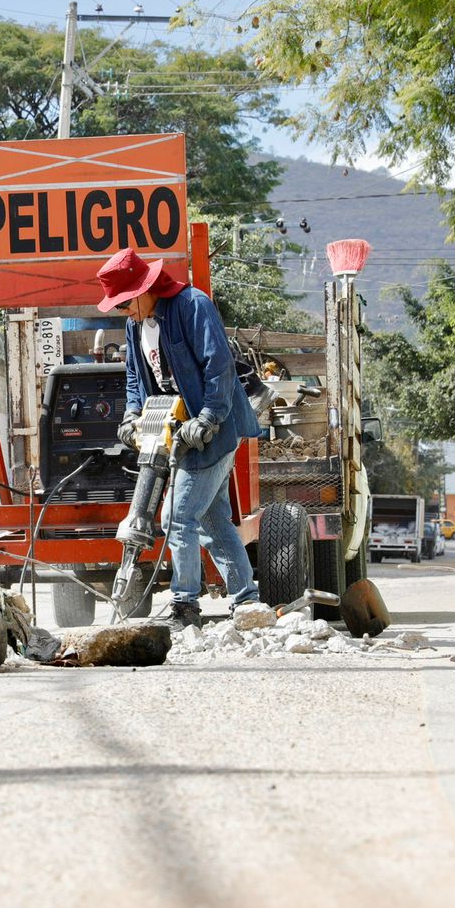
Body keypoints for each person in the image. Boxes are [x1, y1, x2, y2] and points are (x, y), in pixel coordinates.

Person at [97, 247, 263, 629]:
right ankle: (246, 600)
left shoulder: (193, 305)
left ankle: (185, 606)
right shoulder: (136, 324)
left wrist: (208, 417)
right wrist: (131, 415)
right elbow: (136, 378)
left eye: (125, 303)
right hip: (179, 431)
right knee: (213, 519)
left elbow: (217, 365)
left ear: (144, 289)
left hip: (215, 428)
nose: (125, 311)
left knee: (177, 516)